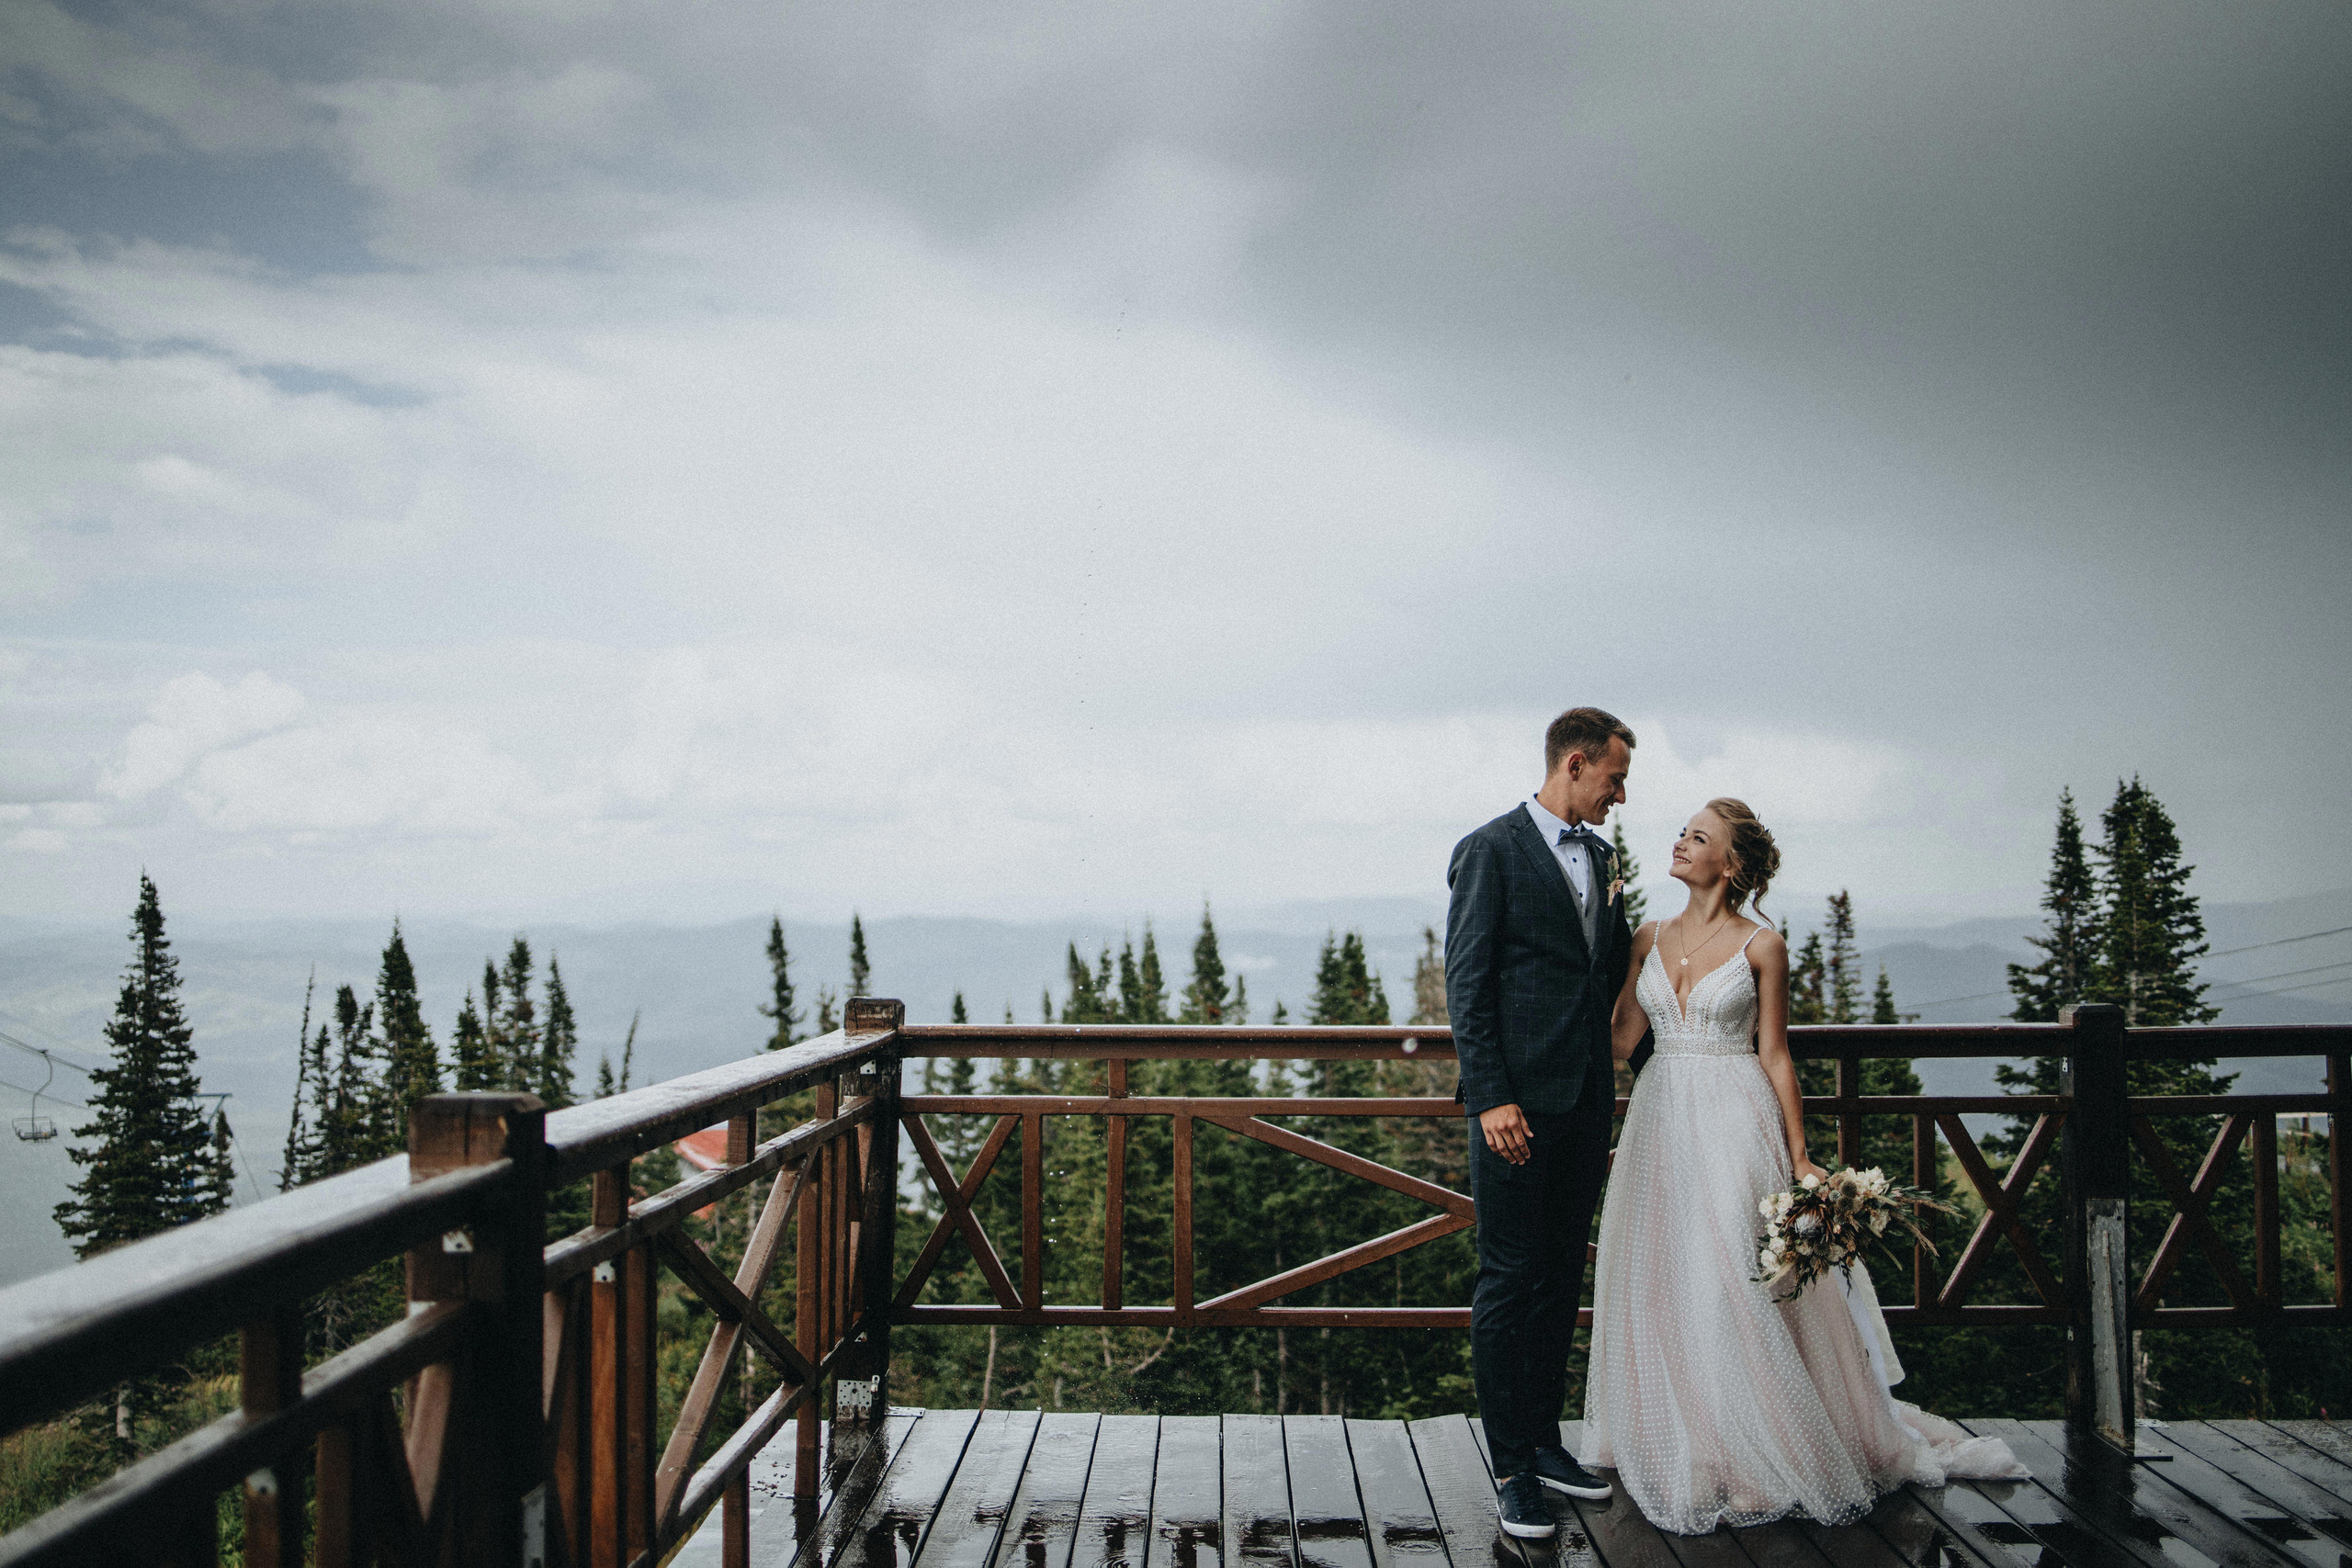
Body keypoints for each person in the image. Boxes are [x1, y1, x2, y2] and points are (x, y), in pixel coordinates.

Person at [1580, 798, 2024, 1534]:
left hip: (1734, 1117)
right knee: (1666, 1276)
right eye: (1683, 832)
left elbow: (1775, 1053)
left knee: (1731, 1282)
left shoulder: (1763, 944)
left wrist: (1798, 1155)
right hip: (1659, 1120)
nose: (1680, 842)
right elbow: (1623, 1037)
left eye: (1698, 837)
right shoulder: (1648, 936)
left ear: (1732, 864)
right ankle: (1693, 1439)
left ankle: (1755, 1455)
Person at [1444, 707, 1636, 1540]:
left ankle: (1547, 1442)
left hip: (1586, 1101)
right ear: (1575, 763)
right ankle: (1511, 1467)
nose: (1620, 796)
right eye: (1614, 779)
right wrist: (1491, 1096)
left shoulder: (1602, 856)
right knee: (1510, 1279)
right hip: (1513, 1111)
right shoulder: (1490, 848)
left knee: (1560, 1277)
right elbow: (1467, 981)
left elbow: (1606, 971)